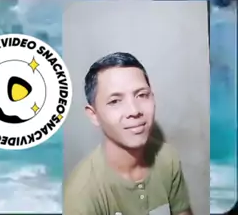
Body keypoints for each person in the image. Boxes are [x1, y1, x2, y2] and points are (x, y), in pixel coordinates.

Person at [63, 52, 193, 215]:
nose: (134, 111)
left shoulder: (168, 158)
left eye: (142, 95)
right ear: (94, 115)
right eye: (115, 101)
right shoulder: (81, 195)